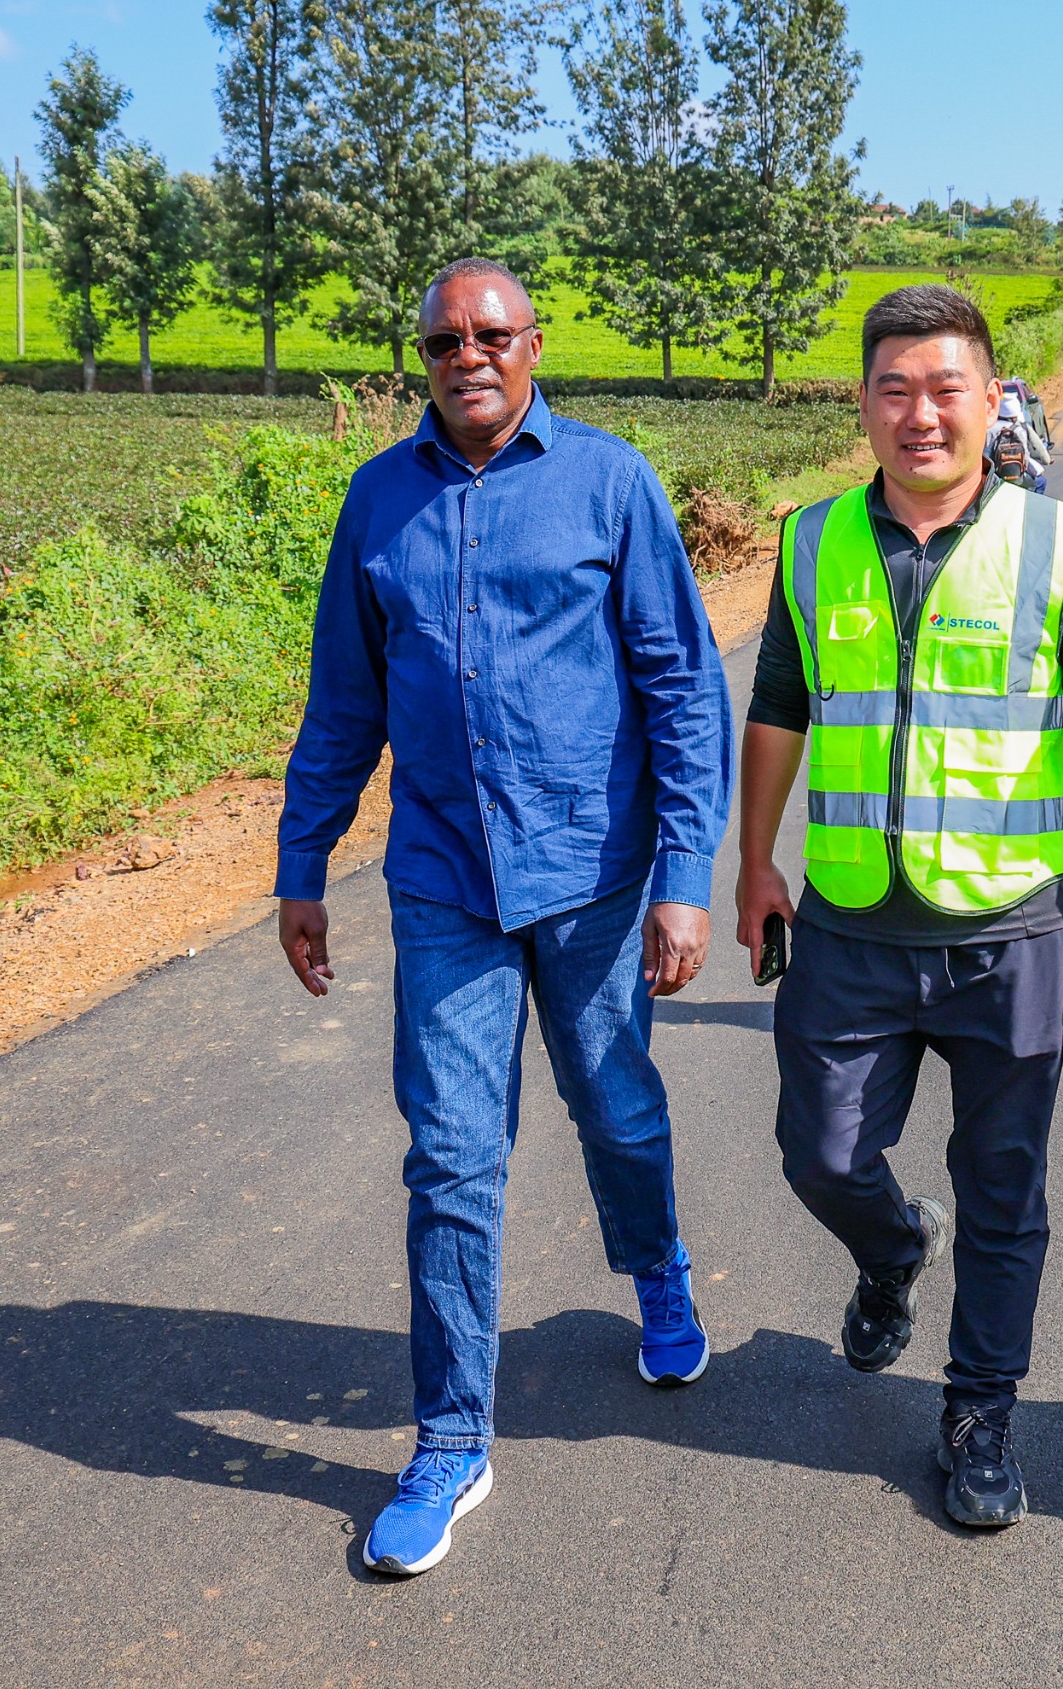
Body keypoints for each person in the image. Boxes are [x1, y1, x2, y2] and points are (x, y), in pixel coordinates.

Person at [276, 259, 734, 1580]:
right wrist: (303, 865)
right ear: (421, 360)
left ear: (534, 347)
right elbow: (342, 705)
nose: (466, 354)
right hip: (441, 877)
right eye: (441, 341)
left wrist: (687, 874)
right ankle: (452, 1439)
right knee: (452, 1156)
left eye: (490, 333)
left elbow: (681, 685)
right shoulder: (380, 502)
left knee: (616, 1105)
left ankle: (653, 1265)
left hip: (593, 874)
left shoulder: (609, 483)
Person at [736, 282, 1063, 1533]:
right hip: (848, 925)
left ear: (995, 402)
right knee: (818, 1152)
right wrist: (753, 862)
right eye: (895, 388)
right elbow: (780, 704)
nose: (921, 413)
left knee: (1005, 1193)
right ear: (864, 404)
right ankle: (889, 1249)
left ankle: (980, 1413)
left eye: (947, 389)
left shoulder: (1054, 544)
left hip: (1006, 937)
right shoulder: (812, 541)